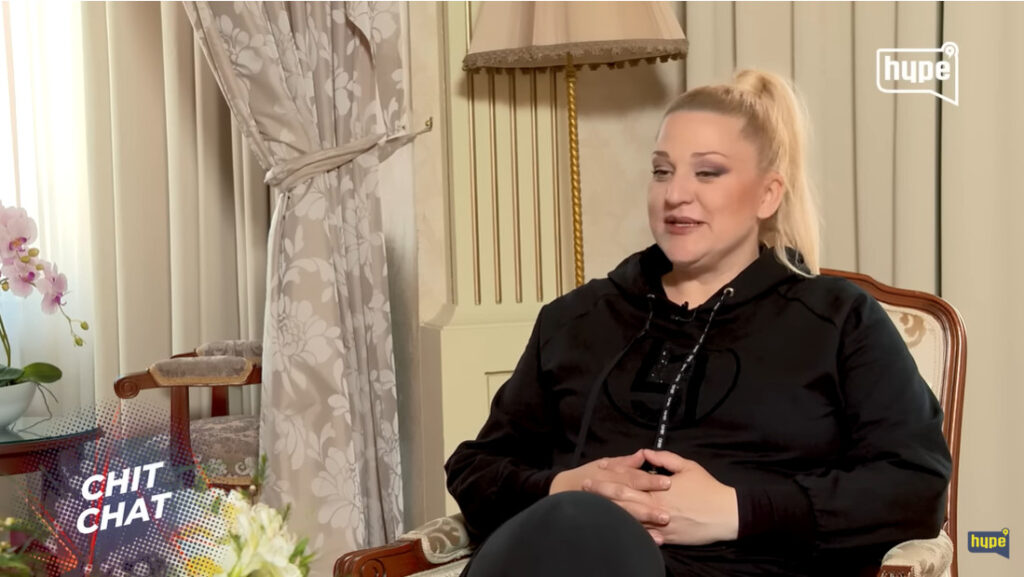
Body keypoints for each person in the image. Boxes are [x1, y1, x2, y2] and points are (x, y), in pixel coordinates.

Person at [444, 69, 952, 577]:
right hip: (566, 555)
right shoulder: (576, 318)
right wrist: (565, 487)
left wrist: (737, 510)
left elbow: (914, 486)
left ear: (768, 194)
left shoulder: (839, 320)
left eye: (707, 173)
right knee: (576, 524)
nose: (676, 194)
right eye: (662, 171)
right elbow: (476, 468)